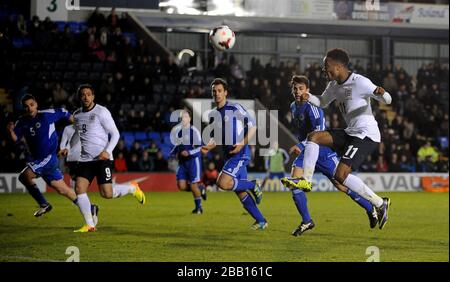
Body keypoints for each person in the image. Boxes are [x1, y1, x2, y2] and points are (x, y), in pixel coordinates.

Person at [293, 48, 392, 229]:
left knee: (340, 176)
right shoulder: (333, 86)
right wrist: (309, 97)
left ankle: (379, 203)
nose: (325, 70)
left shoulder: (360, 82)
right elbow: (323, 102)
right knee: (313, 137)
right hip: (351, 131)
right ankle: (306, 180)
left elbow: (388, 100)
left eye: (327, 66)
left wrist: (382, 93)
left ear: (338, 67)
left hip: (366, 134)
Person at [281, 75, 378, 236]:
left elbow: (318, 133)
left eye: (301, 88)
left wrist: (301, 144)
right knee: (294, 183)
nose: (297, 92)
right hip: (307, 152)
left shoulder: (313, 107)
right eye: (295, 89)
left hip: (322, 151)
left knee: (341, 184)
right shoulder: (293, 106)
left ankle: (371, 208)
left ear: (308, 90)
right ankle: (307, 221)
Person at [6, 95, 97, 223]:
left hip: (48, 157)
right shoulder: (22, 121)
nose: (29, 108)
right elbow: (16, 140)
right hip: (39, 160)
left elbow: (64, 112)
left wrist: (75, 123)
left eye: (31, 104)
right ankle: (91, 207)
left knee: (24, 176)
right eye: (26, 106)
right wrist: (11, 132)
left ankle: (44, 204)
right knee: (63, 190)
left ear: (36, 104)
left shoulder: (46, 115)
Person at [72, 84, 146, 232]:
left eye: (88, 94)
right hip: (86, 160)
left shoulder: (102, 111)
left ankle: (132, 188)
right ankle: (90, 225)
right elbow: (78, 135)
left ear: (93, 96)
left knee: (107, 194)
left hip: (102, 159)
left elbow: (116, 133)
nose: (85, 97)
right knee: (79, 188)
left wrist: (107, 151)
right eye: (83, 95)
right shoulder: (77, 115)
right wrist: (68, 147)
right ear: (79, 97)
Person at [201, 78, 267, 230]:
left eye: (219, 91)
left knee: (222, 183)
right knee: (240, 191)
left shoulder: (235, 108)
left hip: (240, 154)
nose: (216, 94)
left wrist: (242, 144)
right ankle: (261, 221)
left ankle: (253, 185)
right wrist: (208, 147)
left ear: (225, 93)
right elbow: (216, 137)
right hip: (229, 156)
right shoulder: (213, 115)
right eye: (214, 91)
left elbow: (253, 126)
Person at [170, 110, 207, 214]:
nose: (183, 119)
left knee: (193, 185)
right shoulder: (178, 131)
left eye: (186, 117)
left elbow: (201, 148)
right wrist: (172, 153)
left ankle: (199, 208)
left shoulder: (194, 131)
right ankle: (201, 188)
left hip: (193, 162)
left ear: (189, 119)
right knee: (181, 186)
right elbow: (176, 146)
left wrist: (189, 152)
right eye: (182, 117)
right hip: (182, 163)